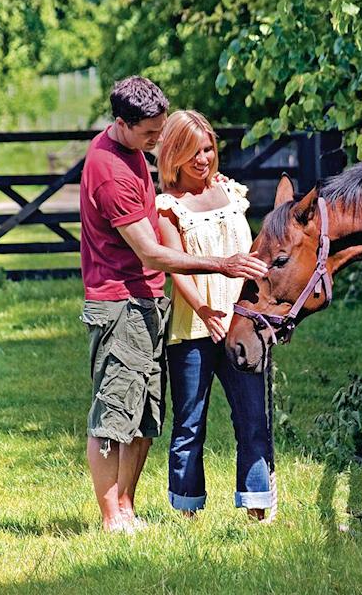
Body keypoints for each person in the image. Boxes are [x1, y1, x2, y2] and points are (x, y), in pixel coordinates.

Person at [79, 77, 267, 533]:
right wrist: (220, 265)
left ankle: (127, 507)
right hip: (118, 301)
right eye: (150, 135)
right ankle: (112, 517)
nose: (157, 142)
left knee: (142, 414)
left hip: (145, 301)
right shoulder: (112, 172)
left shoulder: (128, 150)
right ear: (121, 124)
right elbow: (152, 253)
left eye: (161, 132)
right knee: (112, 414)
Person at [155, 110, 276, 521]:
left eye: (208, 149)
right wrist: (205, 312)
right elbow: (175, 266)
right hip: (192, 328)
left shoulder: (231, 193)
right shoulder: (169, 207)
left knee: (252, 417)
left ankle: (257, 503)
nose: (203, 159)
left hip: (240, 324)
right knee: (190, 423)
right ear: (174, 155)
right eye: (192, 152)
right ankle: (185, 510)